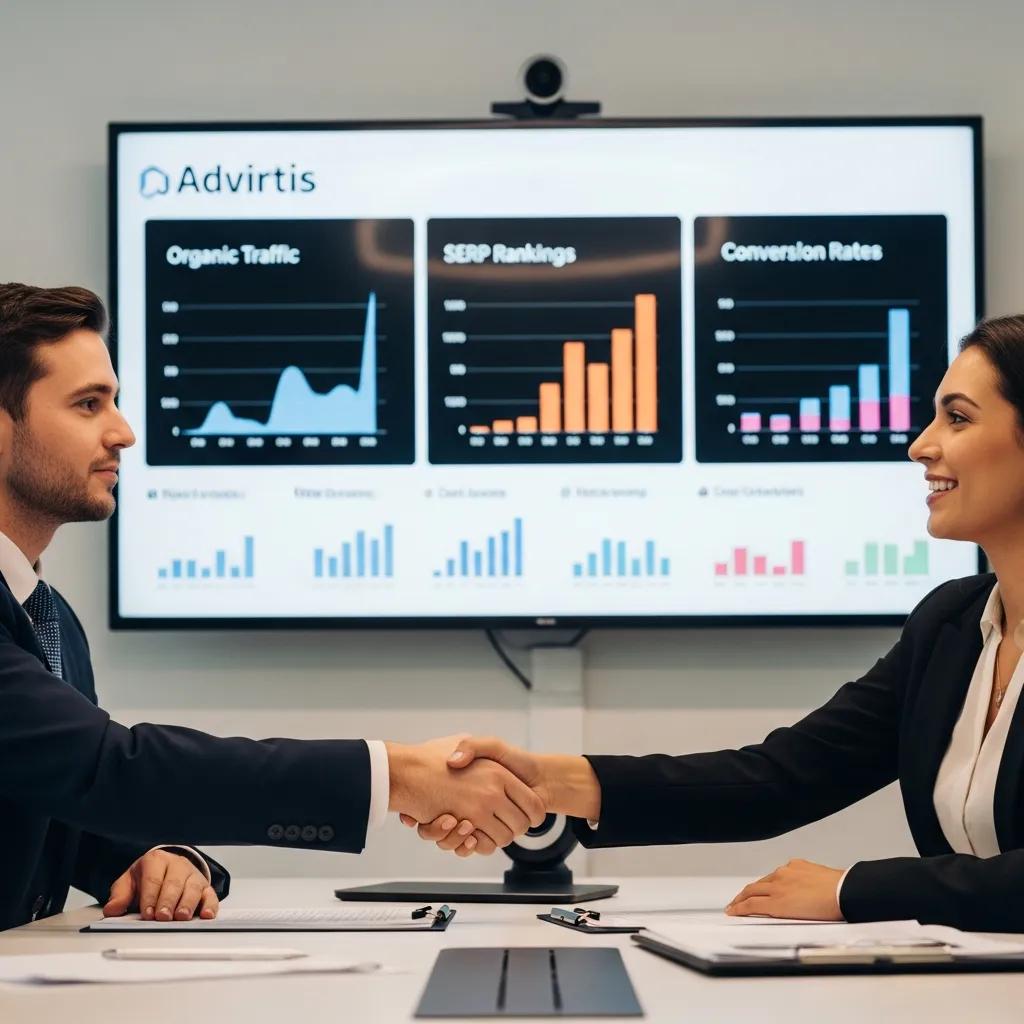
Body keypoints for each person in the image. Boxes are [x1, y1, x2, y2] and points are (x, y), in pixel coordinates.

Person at [409, 315, 1024, 932]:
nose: (921, 444)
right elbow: (779, 779)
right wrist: (545, 782)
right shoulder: (950, 625)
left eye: (959, 418)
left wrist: (855, 889)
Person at [0, 282, 544, 933]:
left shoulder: (48, 614)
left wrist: (159, 856)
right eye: (89, 405)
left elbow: (54, 797)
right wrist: (394, 773)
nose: (124, 433)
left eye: (114, 401)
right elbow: (106, 768)